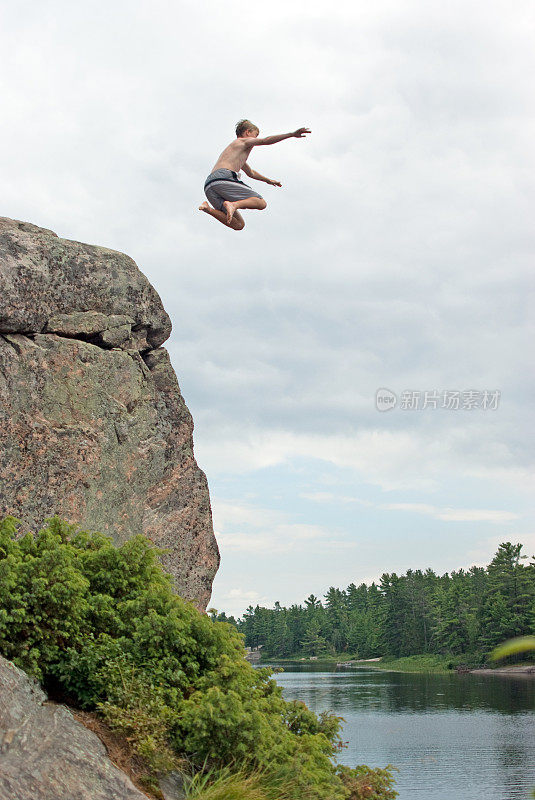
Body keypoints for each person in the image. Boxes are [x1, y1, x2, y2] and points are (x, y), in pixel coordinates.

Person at [199, 120, 311, 231]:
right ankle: (234, 205)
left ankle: (208, 209)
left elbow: (251, 173)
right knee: (261, 203)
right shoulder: (242, 141)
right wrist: (291, 134)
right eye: (255, 135)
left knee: (238, 225)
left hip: (210, 185)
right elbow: (266, 141)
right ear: (247, 132)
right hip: (223, 177)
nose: (255, 139)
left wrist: (268, 180)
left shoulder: (234, 153)